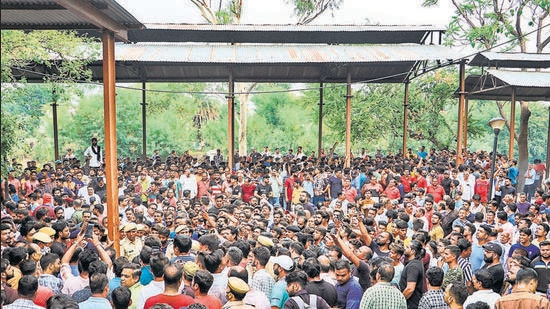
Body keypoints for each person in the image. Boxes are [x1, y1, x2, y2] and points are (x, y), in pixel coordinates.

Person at [399, 240, 425, 309]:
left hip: (411, 304)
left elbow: (410, 289)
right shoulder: (416, 263)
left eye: (407, 247)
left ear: (413, 251)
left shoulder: (413, 266)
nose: (405, 248)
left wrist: (400, 301)